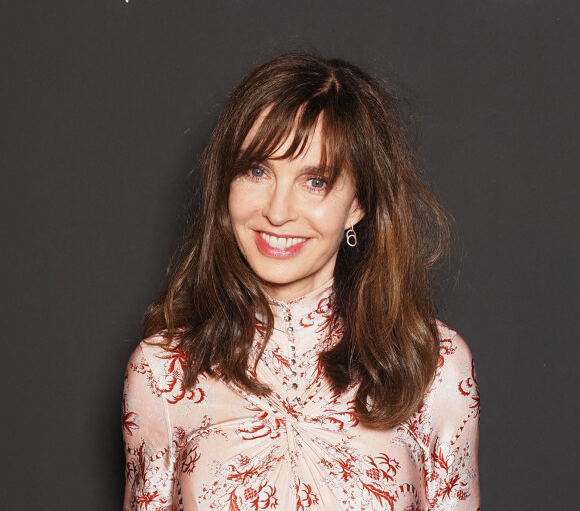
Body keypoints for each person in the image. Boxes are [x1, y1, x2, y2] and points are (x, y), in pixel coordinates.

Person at [122, 53, 480, 510]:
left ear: (358, 205)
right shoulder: (161, 372)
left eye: (315, 181)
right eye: (257, 171)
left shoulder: (435, 365)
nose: (277, 210)